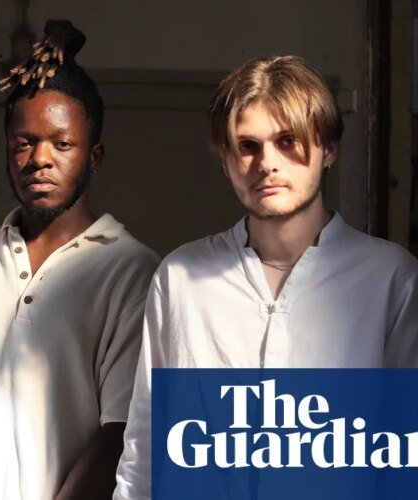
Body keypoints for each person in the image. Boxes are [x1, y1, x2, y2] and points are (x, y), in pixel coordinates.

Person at [113, 55, 418, 499]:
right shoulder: (180, 278)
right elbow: (144, 445)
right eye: (247, 146)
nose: (267, 163)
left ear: (329, 148)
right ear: (225, 160)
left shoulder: (391, 279)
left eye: (287, 140)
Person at [0, 20, 159, 500]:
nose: (39, 159)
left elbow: (120, 429)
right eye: (24, 142)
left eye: (62, 144)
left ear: (93, 157)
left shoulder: (134, 272)